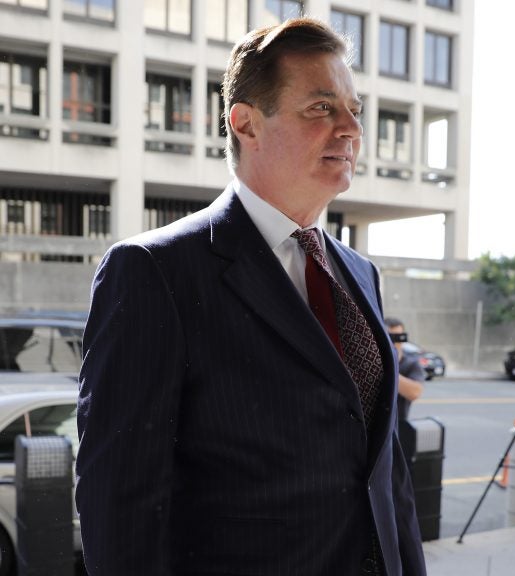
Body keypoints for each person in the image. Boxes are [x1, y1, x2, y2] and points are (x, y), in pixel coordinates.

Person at [75, 18, 426, 576]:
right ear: (246, 123)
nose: (350, 129)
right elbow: (118, 499)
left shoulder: (360, 273)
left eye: (354, 110)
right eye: (321, 108)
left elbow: (386, 474)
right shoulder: (153, 271)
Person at [384, 317, 426, 421]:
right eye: (390, 337)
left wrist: (389, 370)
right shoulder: (374, 361)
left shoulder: (411, 363)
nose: (394, 342)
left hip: (399, 423)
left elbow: (415, 392)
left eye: (398, 337)